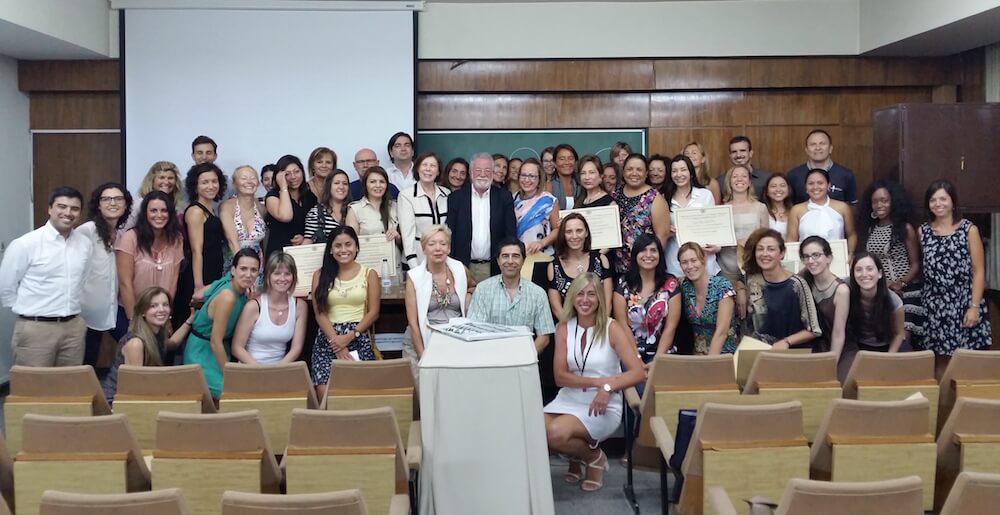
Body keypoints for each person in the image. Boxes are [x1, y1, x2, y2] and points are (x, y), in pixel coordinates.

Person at [543, 273, 646, 492]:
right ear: (572, 297)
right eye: (580, 294)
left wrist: (607, 387)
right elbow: (560, 377)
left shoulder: (613, 328)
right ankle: (577, 454)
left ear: (599, 298)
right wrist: (599, 382)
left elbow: (638, 373)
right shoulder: (564, 328)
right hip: (569, 398)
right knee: (535, 430)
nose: (585, 300)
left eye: (591, 294)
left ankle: (594, 457)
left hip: (603, 404)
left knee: (555, 433)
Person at [0, 186, 92, 366]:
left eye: (74, 209)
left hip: (73, 328)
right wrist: (28, 311)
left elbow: (83, 279)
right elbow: (6, 285)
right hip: (36, 328)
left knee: (68, 388)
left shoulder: (84, 244)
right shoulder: (26, 244)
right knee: (33, 390)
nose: (68, 213)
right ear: (50, 209)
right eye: (62, 206)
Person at [919, 180, 991, 377]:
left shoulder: (969, 229)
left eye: (943, 198)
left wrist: (974, 306)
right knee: (939, 360)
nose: (938, 203)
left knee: (966, 361)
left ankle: (966, 405)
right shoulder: (923, 231)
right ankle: (942, 406)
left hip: (963, 302)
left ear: (952, 202)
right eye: (933, 200)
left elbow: (979, 271)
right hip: (935, 304)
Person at [311, 226, 381, 399]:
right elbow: (320, 313)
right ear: (331, 250)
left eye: (348, 244)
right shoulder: (320, 275)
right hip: (328, 339)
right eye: (338, 246)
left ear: (356, 247)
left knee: (357, 397)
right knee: (327, 399)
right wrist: (336, 342)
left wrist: (350, 336)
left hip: (358, 336)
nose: (343, 250)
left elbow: (373, 312)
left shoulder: (369, 274)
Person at [183, 248, 260, 397]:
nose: (248, 275)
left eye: (254, 270)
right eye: (243, 269)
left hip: (221, 349)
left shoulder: (241, 291)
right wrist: (230, 375)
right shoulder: (228, 296)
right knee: (233, 392)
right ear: (233, 270)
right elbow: (215, 341)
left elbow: (198, 295)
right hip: (203, 352)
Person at [856, 179, 923, 344]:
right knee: (889, 336)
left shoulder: (904, 228)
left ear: (894, 202)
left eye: (884, 201)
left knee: (904, 339)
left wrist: (901, 283)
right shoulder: (870, 229)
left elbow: (915, 264)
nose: (880, 205)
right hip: (882, 292)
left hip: (906, 292)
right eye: (875, 201)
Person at [102, 287, 193, 403]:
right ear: (143, 312)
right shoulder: (136, 343)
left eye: (165, 305)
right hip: (117, 402)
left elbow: (172, 344)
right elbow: (136, 387)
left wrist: (191, 319)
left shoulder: (155, 332)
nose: (161, 309)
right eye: (153, 306)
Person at [467, 238, 556, 353]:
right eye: (505, 256)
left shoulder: (537, 293)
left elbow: (544, 337)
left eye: (515, 256)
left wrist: (525, 356)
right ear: (498, 261)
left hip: (525, 360)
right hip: (489, 357)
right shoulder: (483, 289)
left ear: (524, 260)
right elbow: (474, 330)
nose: (510, 261)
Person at [79, 183, 133, 368]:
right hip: (85, 313)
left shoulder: (121, 234)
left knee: (134, 343)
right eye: (106, 199)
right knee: (87, 364)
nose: (113, 203)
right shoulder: (87, 231)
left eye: (118, 199)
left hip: (111, 308)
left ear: (126, 205)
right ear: (98, 204)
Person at [403, 225, 476, 360]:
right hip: (421, 339)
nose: (438, 248)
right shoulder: (414, 277)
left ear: (448, 248)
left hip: (454, 339)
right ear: (423, 249)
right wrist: (422, 356)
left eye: (443, 244)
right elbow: (413, 322)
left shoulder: (460, 269)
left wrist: (468, 297)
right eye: (432, 244)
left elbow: (473, 287)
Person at [741, 228, 822, 348]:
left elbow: (814, 330)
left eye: (771, 249)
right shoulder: (751, 279)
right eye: (760, 249)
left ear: (782, 253)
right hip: (756, 351)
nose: (764, 254)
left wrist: (786, 342)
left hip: (789, 353)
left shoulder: (797, 284)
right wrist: (740, 289)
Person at [446, 152, 517, 281]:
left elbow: (510, 233)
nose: (483, 174)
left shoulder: (504, 197)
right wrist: (453, 265)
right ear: (471, 172)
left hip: (495, 267)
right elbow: (450, 234)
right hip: (463, 267)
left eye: (487, 170)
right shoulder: (455, 198)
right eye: (478, 170)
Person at [116, 191, 185, 321]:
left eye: (164, 211)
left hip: (160, 314)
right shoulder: (130, 238)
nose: (159, 215)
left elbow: (173, 281)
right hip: (131, 312)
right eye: (153, 210)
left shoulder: (176, 239)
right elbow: (125, 283)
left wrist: (166, 315)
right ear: (145, 213)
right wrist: (134, 320)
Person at [612, 233, 682, 362]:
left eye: (653, 250)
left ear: (660, 255)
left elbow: (670, 328)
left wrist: (657, 361)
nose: (648, 255)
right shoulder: (623, 283)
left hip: (663, 354)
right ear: (635, 255)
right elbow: (622, 325)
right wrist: (636, 358)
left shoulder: (671, 284)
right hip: (630, 353)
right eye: (643, 250)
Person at [230, 252, 307, 365]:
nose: (282, 278)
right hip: (251, 367)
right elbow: (237, 348)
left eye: (287, 274)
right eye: (277, 273)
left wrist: (276, 371)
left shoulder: (300, 306)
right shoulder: (254, 306)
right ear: (268, 277)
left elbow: (296, 348)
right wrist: (261, 371)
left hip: (280, 369)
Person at [840, 253, 906, 379]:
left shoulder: (894, 301)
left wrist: (888, 358)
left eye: (870, 269)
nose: (864, 274)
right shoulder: (845, 287)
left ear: (880, 273)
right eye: (858, 270)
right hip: (858, 345)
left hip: (887, 345)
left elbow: (899, 334)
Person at [611, 153, 670, 276]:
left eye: (639, 170)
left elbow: (662, 236)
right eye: (630, 169)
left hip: (644, 268)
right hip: (615, 267)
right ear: (623, 170)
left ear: (646, 173)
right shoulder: (614, 193)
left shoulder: (655, 198)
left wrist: (649, 263)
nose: (634, 173)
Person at [664, 154, 720, 277]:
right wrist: (666, 232)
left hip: (703, 258)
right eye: (674, 171)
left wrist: (717, 246)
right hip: (675, 261)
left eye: (683, 170)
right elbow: (660, 230)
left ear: (691, 172)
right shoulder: (664, 198)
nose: (679, 174)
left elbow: (713, 226)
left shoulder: (705, 195)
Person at [677, 243, 738, 355]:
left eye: (694, 260)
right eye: (684, 262)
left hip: (723, 354)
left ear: (703, 260)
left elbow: (722, 332)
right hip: (697, 355)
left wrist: (709, 364)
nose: (690, 266)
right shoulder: (683, 286)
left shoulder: (722, 286)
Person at [547, 213, 612, 316]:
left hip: (599, 325)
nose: (574, 236)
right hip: (569, 327)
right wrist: (573, 330)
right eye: (569, 231)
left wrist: (599, 328)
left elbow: (607, 303)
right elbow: (556, 308)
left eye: (579, 231)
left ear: (586, 233)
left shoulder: (601, 260)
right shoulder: (554, 266)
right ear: (563, 235)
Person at [398, 152, 450, 269]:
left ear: (438, 171)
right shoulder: (406, 195)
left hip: (442, 259)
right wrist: (414, 266)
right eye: (424, 165)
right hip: (417, 261)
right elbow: (407, 235)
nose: (428, 169)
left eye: (433, 166)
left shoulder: (447, 193)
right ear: (417, 168)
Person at [799, 236, 849, 356]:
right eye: (806, 257)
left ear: (829, 258)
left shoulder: (841, 290)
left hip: (838, 349)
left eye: (816, 255)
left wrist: (831, 363)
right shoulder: (804, 281)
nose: (811, 261)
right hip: (812, 346)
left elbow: (838, 333)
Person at [718, 165, 769, 282]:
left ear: (750, 181)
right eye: (735, 176)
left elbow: (766, 238)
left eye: (744, 176)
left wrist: (751, 242)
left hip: (754, 266)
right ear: (729, 182)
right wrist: (736, 242)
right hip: (727, 268)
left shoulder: (761, 208)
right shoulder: (722, 209)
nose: (739, 179)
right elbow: (720, 239)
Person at [787, 168, 857, 253]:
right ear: (806, 187)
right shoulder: (796, 210)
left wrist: (850, 253)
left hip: (837, 257)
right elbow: (791, 240)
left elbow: (851, 234)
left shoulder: (842, 207)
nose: (815, 187)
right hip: (807, 259)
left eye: (820, 183)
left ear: (828, 185)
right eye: (811, 183)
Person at [346, 166, 401, 274]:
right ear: (365, 185)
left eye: (382, 182)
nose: (378, 185)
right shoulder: (355, 209)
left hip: (394, 267)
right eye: (372, 182)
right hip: (367, 268)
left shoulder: (397, 207)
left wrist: (398, 237)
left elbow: (406, 241)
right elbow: (350, 243)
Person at [184, 163, 227, 292]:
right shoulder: (195, 211)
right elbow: (196, 250)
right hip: (201, 275)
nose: (211, 186)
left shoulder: (211, 210)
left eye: (214, 181)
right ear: (195, 187)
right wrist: (198, 286)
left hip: (214, 270)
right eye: (205, 182)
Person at [264, 154, 318, 259]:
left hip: (303, 252)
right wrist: (283, 187)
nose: (293, 177)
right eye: (287, 174)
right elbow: (285, 216)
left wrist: (305, 238)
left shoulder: (309, 197)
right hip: (279, 254)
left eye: (297, 172)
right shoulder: (273, 196)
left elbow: (315, 225)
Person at [220, 165, 266, 285]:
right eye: (244, 178)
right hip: (235, 264)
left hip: (258, 267)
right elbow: (232, 241)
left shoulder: (262, 208)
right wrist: (244, 272)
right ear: (235, 183)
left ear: (258, 182)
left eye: (252, 178)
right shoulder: (227, 206)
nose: (249, 181)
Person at [786, 129, 857, 204]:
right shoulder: (793, 175)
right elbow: (789, 206)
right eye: (813, 144)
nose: (817, 148)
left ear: (830, 148)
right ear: (806, 150)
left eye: (822, 143)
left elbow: (852, 206)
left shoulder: (846, 175)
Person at [120, 161, 184, 233]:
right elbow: (124, 231)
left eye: (170, 178)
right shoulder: (138, 204)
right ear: (152, 180)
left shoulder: (177, 205)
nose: (166, 182)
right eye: (161, 178)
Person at [514, 158, 560, 256]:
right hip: (518, 256)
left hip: (542, 256)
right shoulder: (512, 199)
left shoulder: (548, 200)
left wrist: (542, 243)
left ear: (539, 179)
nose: (527, 180)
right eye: (523, 175)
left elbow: (557, 229)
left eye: (532, 176)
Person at [303, 169, 351, 245]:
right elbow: (308, 242)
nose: (341, 187)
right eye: (336, 183)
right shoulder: (316, 213)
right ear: (329, 186)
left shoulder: (354, 210)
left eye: (345, 183)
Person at [551, 144, 581, 209]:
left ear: (575, 162)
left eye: (570, 158)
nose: (567, 162)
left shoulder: (582, 184)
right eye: (562, 159)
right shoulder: (549, 186)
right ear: (554, 163)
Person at [763, 173, 793, 239]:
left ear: (788, 190)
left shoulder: (794, 211)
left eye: (782, 185)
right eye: (773, 186)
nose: (778, 189)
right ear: (767, 191)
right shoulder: (762, 211)